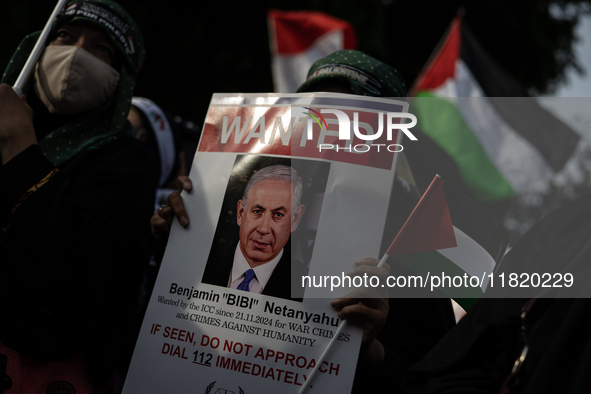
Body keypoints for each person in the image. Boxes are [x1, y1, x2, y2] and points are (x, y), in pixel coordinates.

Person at [0, 1, 157, 392]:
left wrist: (21, 149)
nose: (75, 55)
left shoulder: (124, 163)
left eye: (101, 49)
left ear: (120, 80)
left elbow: (68, 277)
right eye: (65, 37)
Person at [295, 50, 456, 393]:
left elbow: (434, 376)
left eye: (347, 114)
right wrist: (175, 247)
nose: (325, 127)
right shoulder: (263, 195)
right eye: (316, 112)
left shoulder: (411, 233)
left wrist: (370, 351)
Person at [201, 164, 308, 300]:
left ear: (295, 219)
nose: (263, 229)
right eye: (257, 211)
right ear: (241, 213)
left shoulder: (310, 286)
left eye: (278, 215)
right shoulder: (199, 261)